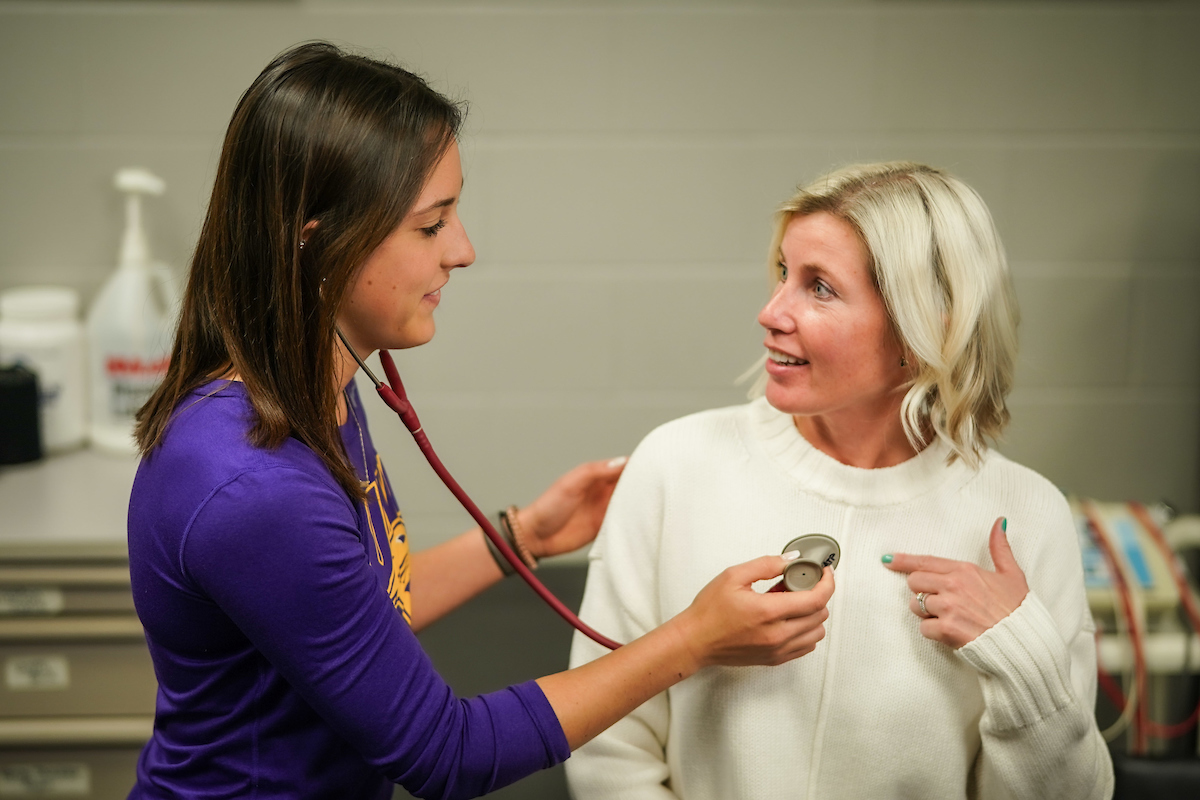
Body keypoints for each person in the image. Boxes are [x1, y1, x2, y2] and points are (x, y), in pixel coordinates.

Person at [126, 42, 836, 800]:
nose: (462, 251)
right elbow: (445, 753)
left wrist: (523, 535)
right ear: (316, 244)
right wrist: (694, 639)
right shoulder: (253, 479)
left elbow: (351, 609)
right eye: (431, 226)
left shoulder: (311, 393)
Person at [566, 162, 1115, 799]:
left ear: (922, 327)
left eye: (819, 287)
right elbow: (609, 755)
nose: (771, 313)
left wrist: (1022, 660)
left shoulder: (1027, 516)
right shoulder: (676, 464)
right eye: (782, 274)